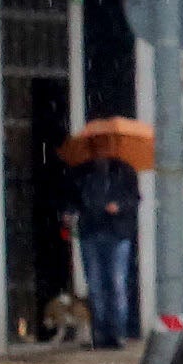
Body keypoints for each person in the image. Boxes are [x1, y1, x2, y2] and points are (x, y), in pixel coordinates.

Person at [63, 138, 139, 347]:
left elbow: (134, 199)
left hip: (117, 233)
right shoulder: (81, 173)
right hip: (91, 232)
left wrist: (120, 206)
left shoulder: (124, 171)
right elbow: (73, 200)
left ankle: (117, 333)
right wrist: (70, 213)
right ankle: (100, 334)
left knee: (116, 283)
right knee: (96, 285)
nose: (101, 153)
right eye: (96, 148)